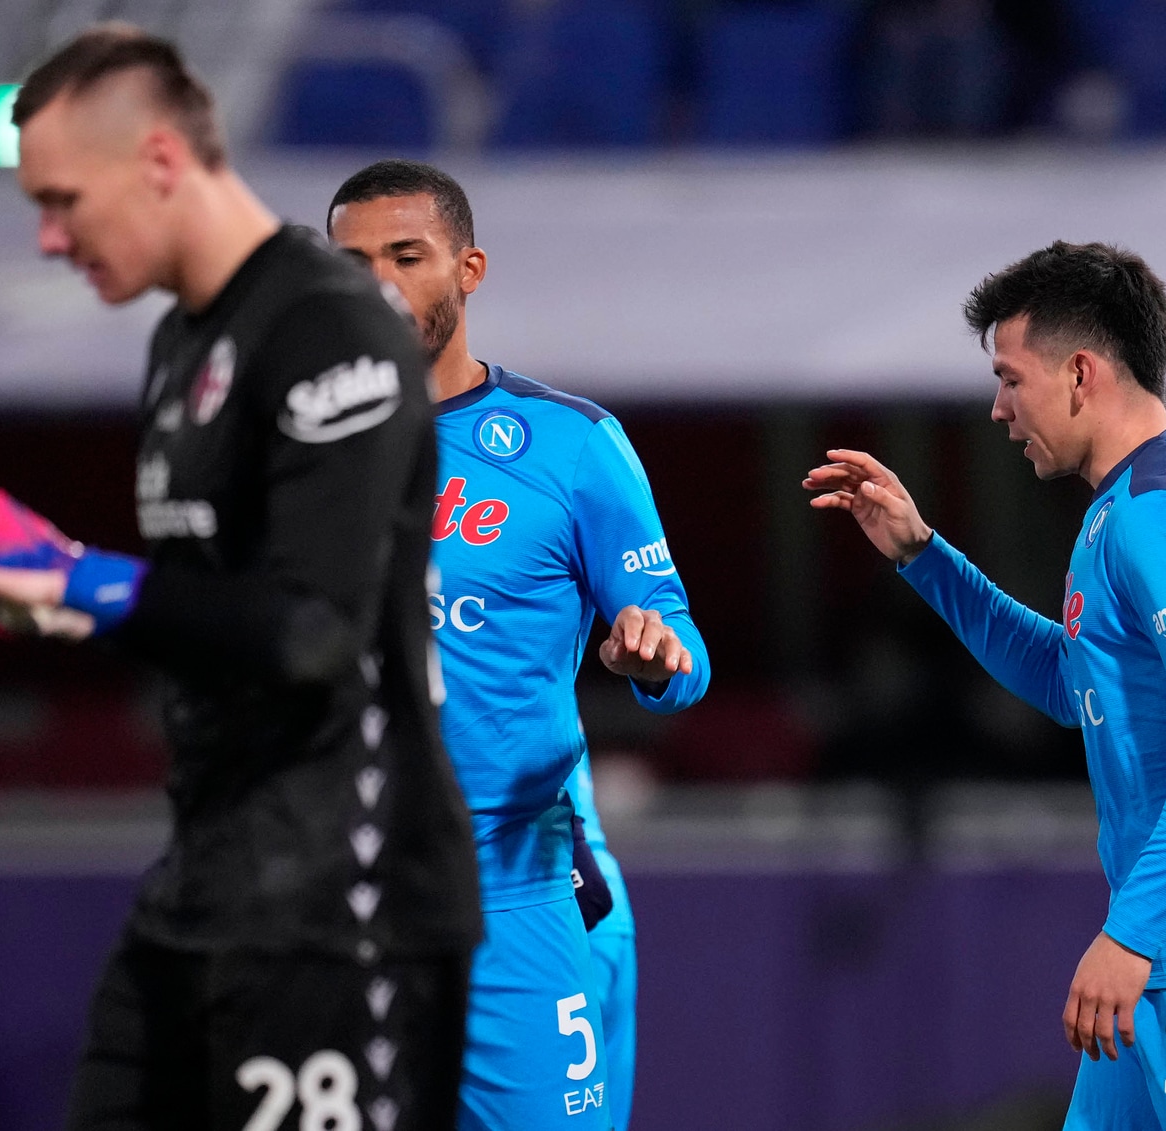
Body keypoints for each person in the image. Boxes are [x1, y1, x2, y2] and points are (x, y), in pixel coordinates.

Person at [0, 26, 483, 1130]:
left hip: (341, 905)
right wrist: (56, 603)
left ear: (159, 161)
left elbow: (310, 630)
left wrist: (79, 580)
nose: (48, 239)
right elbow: (208, 611)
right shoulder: (181, 344)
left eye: (62, 201)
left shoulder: (331, 330)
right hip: (205, 882)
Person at [808, 241, 1166, 1130]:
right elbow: (1071, 681)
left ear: (1081, 372)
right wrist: (923, 555)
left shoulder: (1163, 513)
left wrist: (1130, 932)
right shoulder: (1125, 509)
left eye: (1011, 378)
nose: (999, 407)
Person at [328, 159, 709, 1131]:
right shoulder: (296, 456)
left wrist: (653, 657)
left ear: (469, 269)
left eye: (405, 256)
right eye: (353, 263)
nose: (378, 283)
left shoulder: (569, 444)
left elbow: (682, 648)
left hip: (518, 888)